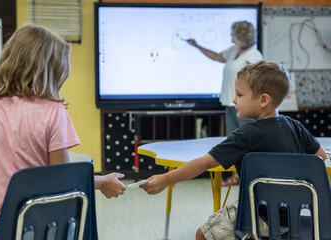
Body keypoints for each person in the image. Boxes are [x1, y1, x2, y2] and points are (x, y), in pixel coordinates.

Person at [0, 24, 126, 240]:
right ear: (50, 71)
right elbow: (64, 180)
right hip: (44, 229)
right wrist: (103, 182)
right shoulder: (53, 112)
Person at [140, 61, 327, 240]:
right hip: (296, 216)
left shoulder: (245, 135)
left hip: (258, 216)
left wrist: (166, 179)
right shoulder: (295, 126)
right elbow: (320, 157)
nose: (233, 99)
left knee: (201, 235)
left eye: (239, 94)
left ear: (263, 100)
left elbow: (206, 162)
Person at [187, 21, 263, 185]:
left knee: (247, 141)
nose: (230, 36)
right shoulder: (234, 51)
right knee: (233, 141)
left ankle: (249, 176)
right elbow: (216, 56)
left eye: (232, 34)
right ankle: (238, 175)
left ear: (240, 36)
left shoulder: (253, 54)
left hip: (245, 105)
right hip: (230, 102)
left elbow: (260, 76)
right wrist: (197, 46)